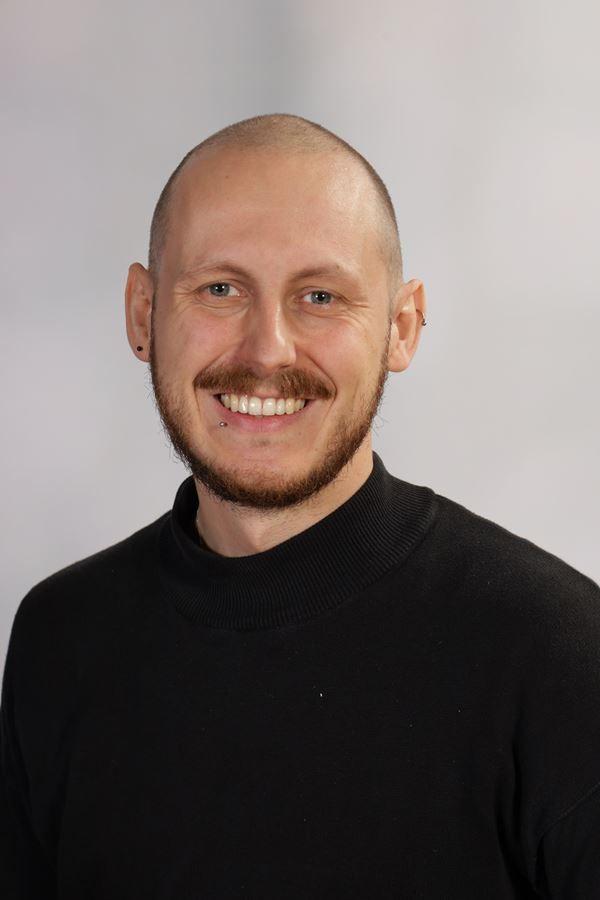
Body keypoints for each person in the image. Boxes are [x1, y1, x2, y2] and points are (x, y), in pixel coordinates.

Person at [1, 113, 599, 899]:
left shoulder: (556, 651)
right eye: (220, 289)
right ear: (143, 313)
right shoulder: (61, 641)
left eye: (320, 296)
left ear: (402, 328)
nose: (267, 351)